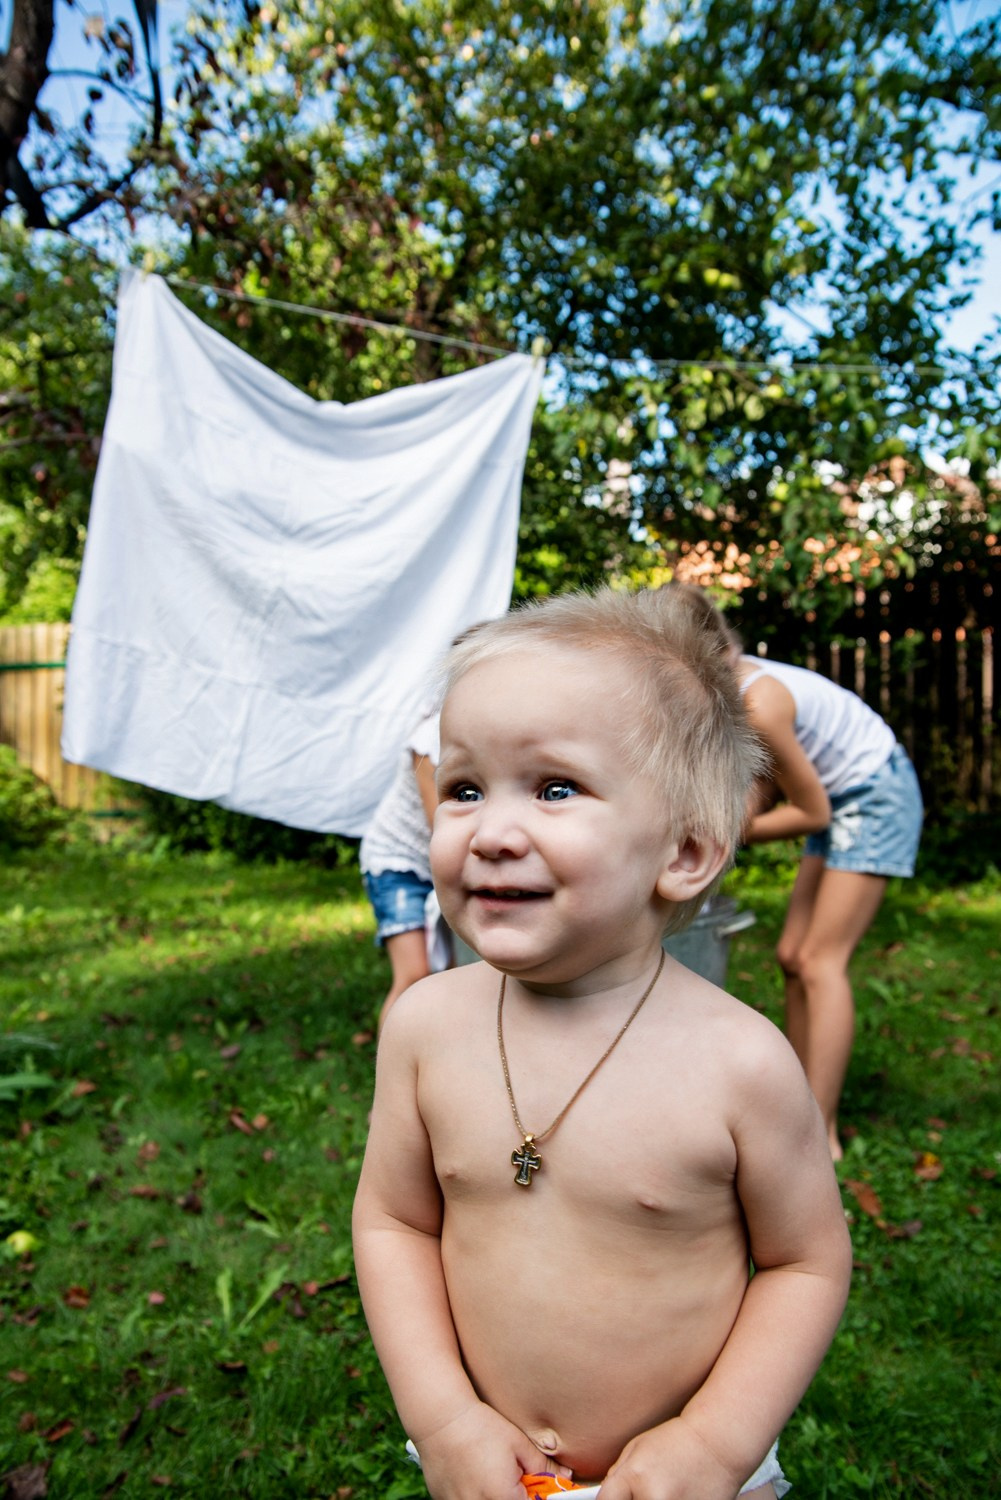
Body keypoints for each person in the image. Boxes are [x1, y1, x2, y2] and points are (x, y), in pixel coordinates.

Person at [352, 588, 852, 1500]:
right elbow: (394, 1222)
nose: (491, 833)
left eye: (554, 788)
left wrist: (711, 1443)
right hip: (482, 1462)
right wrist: (445, 1420)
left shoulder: (739, 1063)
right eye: (464, 788)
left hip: (686, 1476)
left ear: (685, 852)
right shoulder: (423, 1025)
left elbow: (806, 1262)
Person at [650, 583, 924, 1161]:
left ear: (707, 652)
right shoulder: (729, 688)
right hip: (842, 793)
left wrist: (728, 832)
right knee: (791, 956)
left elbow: (812, 809)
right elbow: (767, 782)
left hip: (874, 793)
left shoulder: (759, 700)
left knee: (821, 961)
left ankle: (818, 1135)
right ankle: (801, 1106)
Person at [359, 708, 441, 1033]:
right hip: (396, 861)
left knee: (447, 975)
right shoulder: (428, 739)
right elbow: (442, 823)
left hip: (436, 863)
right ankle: (391, 1079)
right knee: (414, 975)